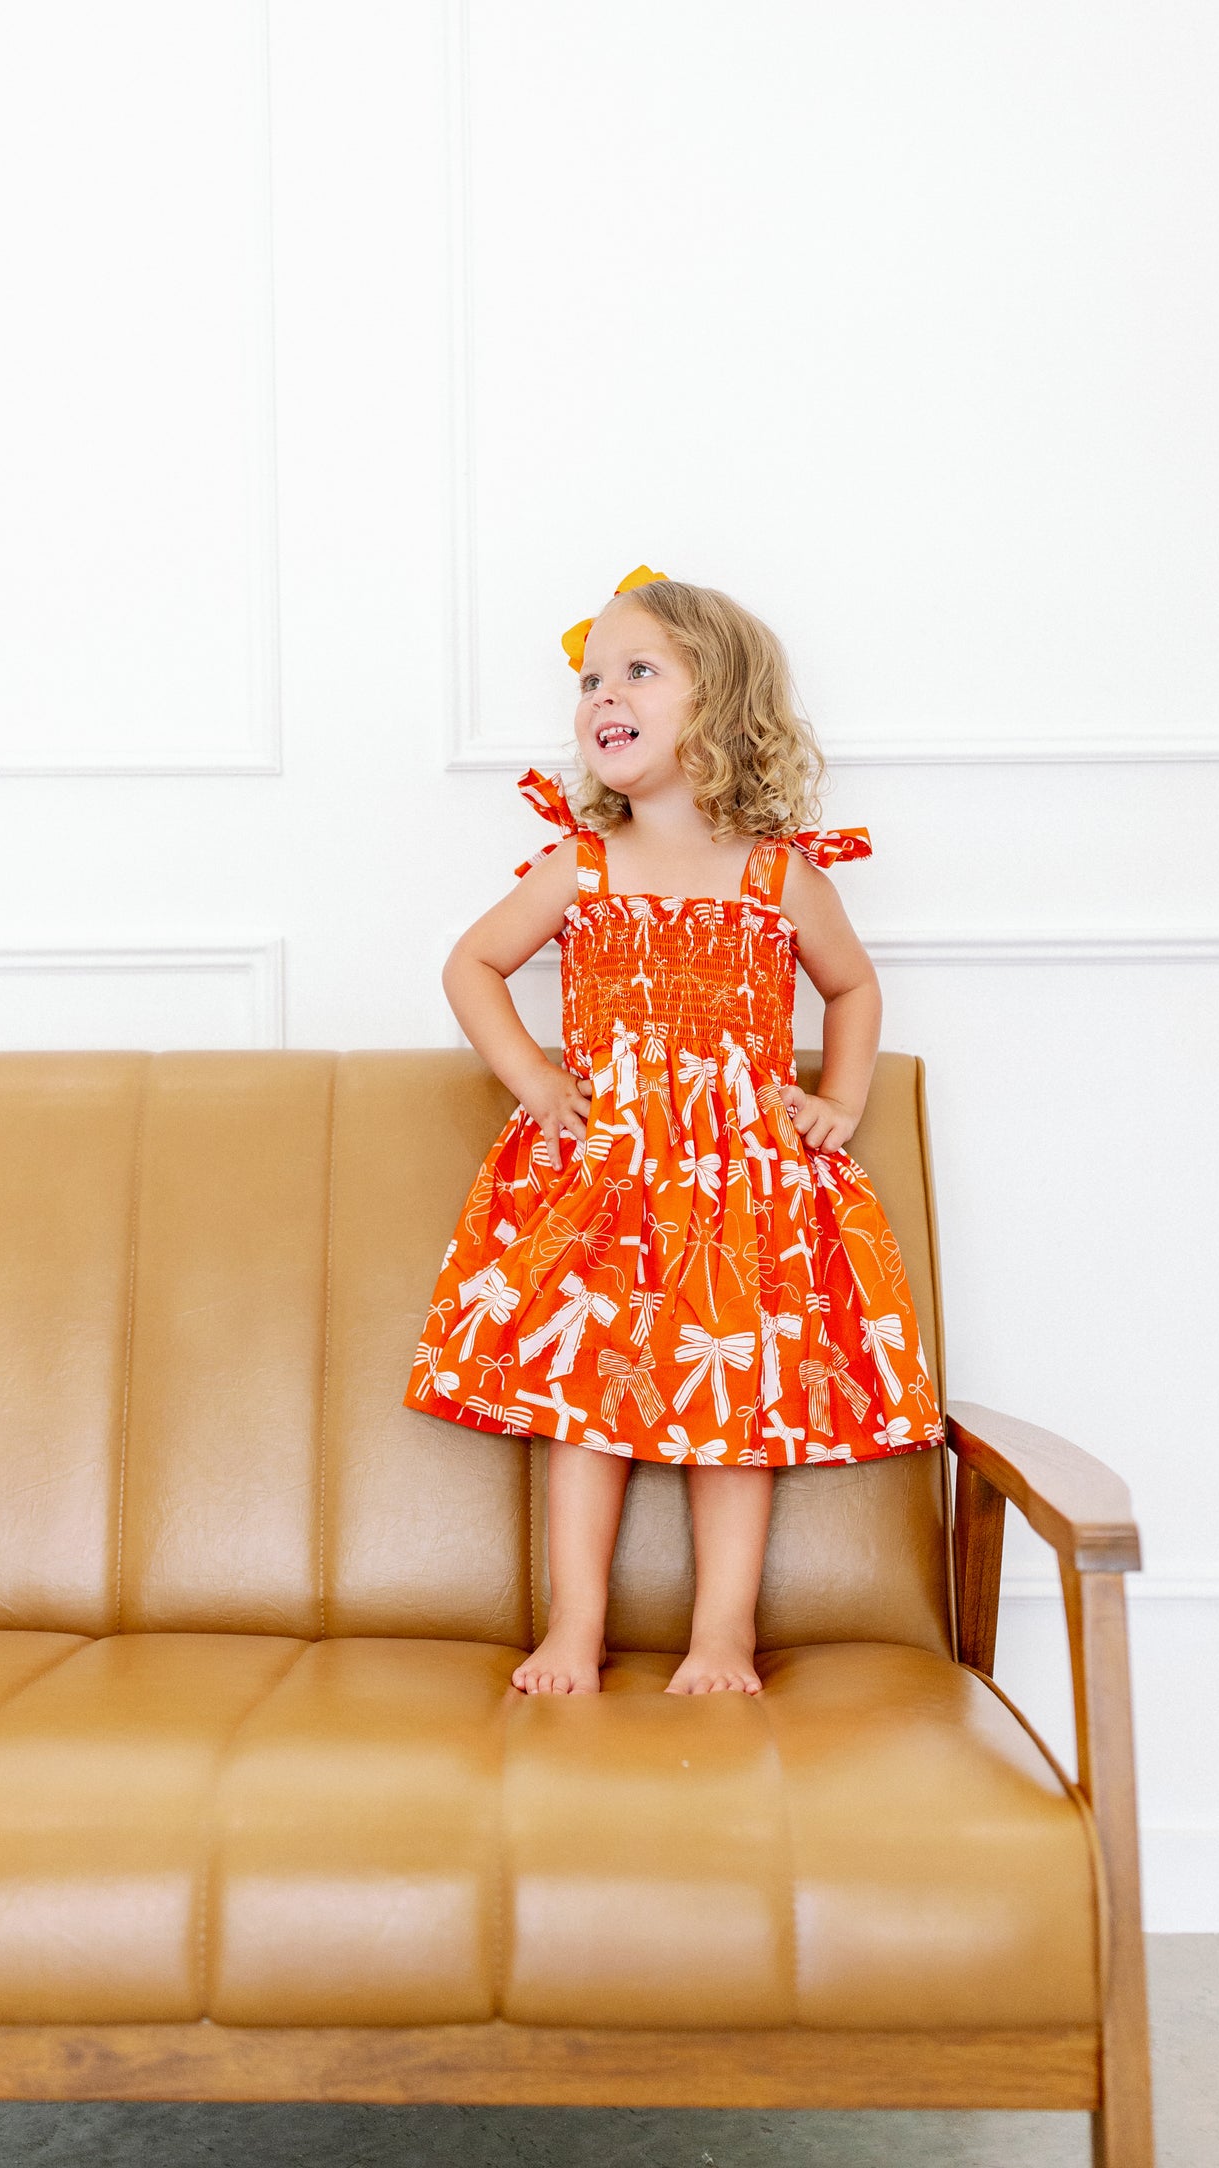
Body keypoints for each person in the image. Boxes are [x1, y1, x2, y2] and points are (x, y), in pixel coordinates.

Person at [403, 567, 943, 1698]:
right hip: (606, 1178)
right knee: (586, 1410)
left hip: (738, 1188)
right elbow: (471, 964)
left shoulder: (774, 875)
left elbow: (850, 989)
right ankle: (574, 1627)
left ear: (723, 702)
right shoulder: (580, 867)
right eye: (590, 677)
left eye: (637, 668)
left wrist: (835, 1101)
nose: (602, 693)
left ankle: (722, 1635)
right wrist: (537, 1079)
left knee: (730, 1409)